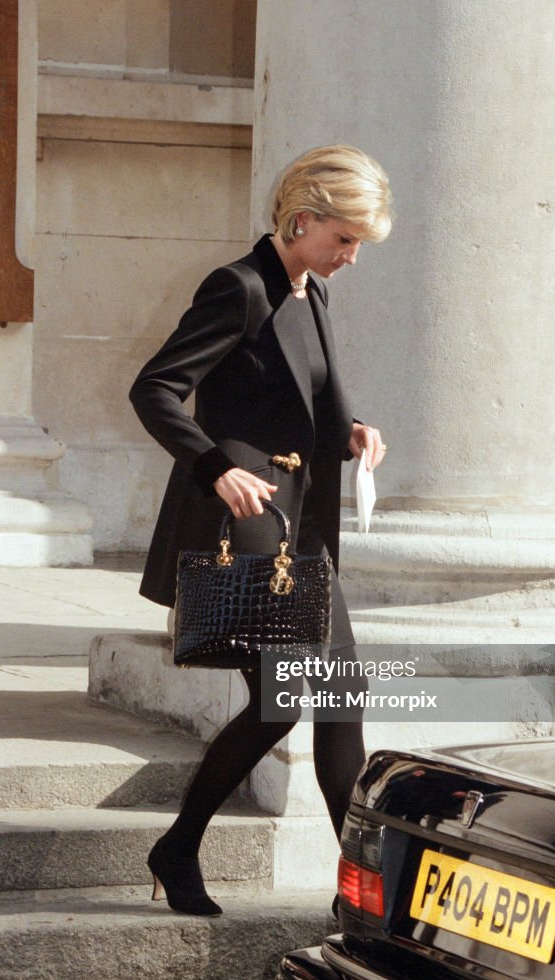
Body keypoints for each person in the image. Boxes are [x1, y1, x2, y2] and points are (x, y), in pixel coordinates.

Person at [129, 144, 392, 916]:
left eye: (357, 244)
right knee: (282, 699)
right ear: (301, 219)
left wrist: (352, 431)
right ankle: (179, 848)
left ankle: (362, 895)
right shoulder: (238, 289)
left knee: (340, 695)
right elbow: (156, 389)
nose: (350, 257)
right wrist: (215, 465)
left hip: (300, 530)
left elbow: (298, 400)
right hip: (247, 526)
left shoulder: (310, 294)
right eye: (343, 239)